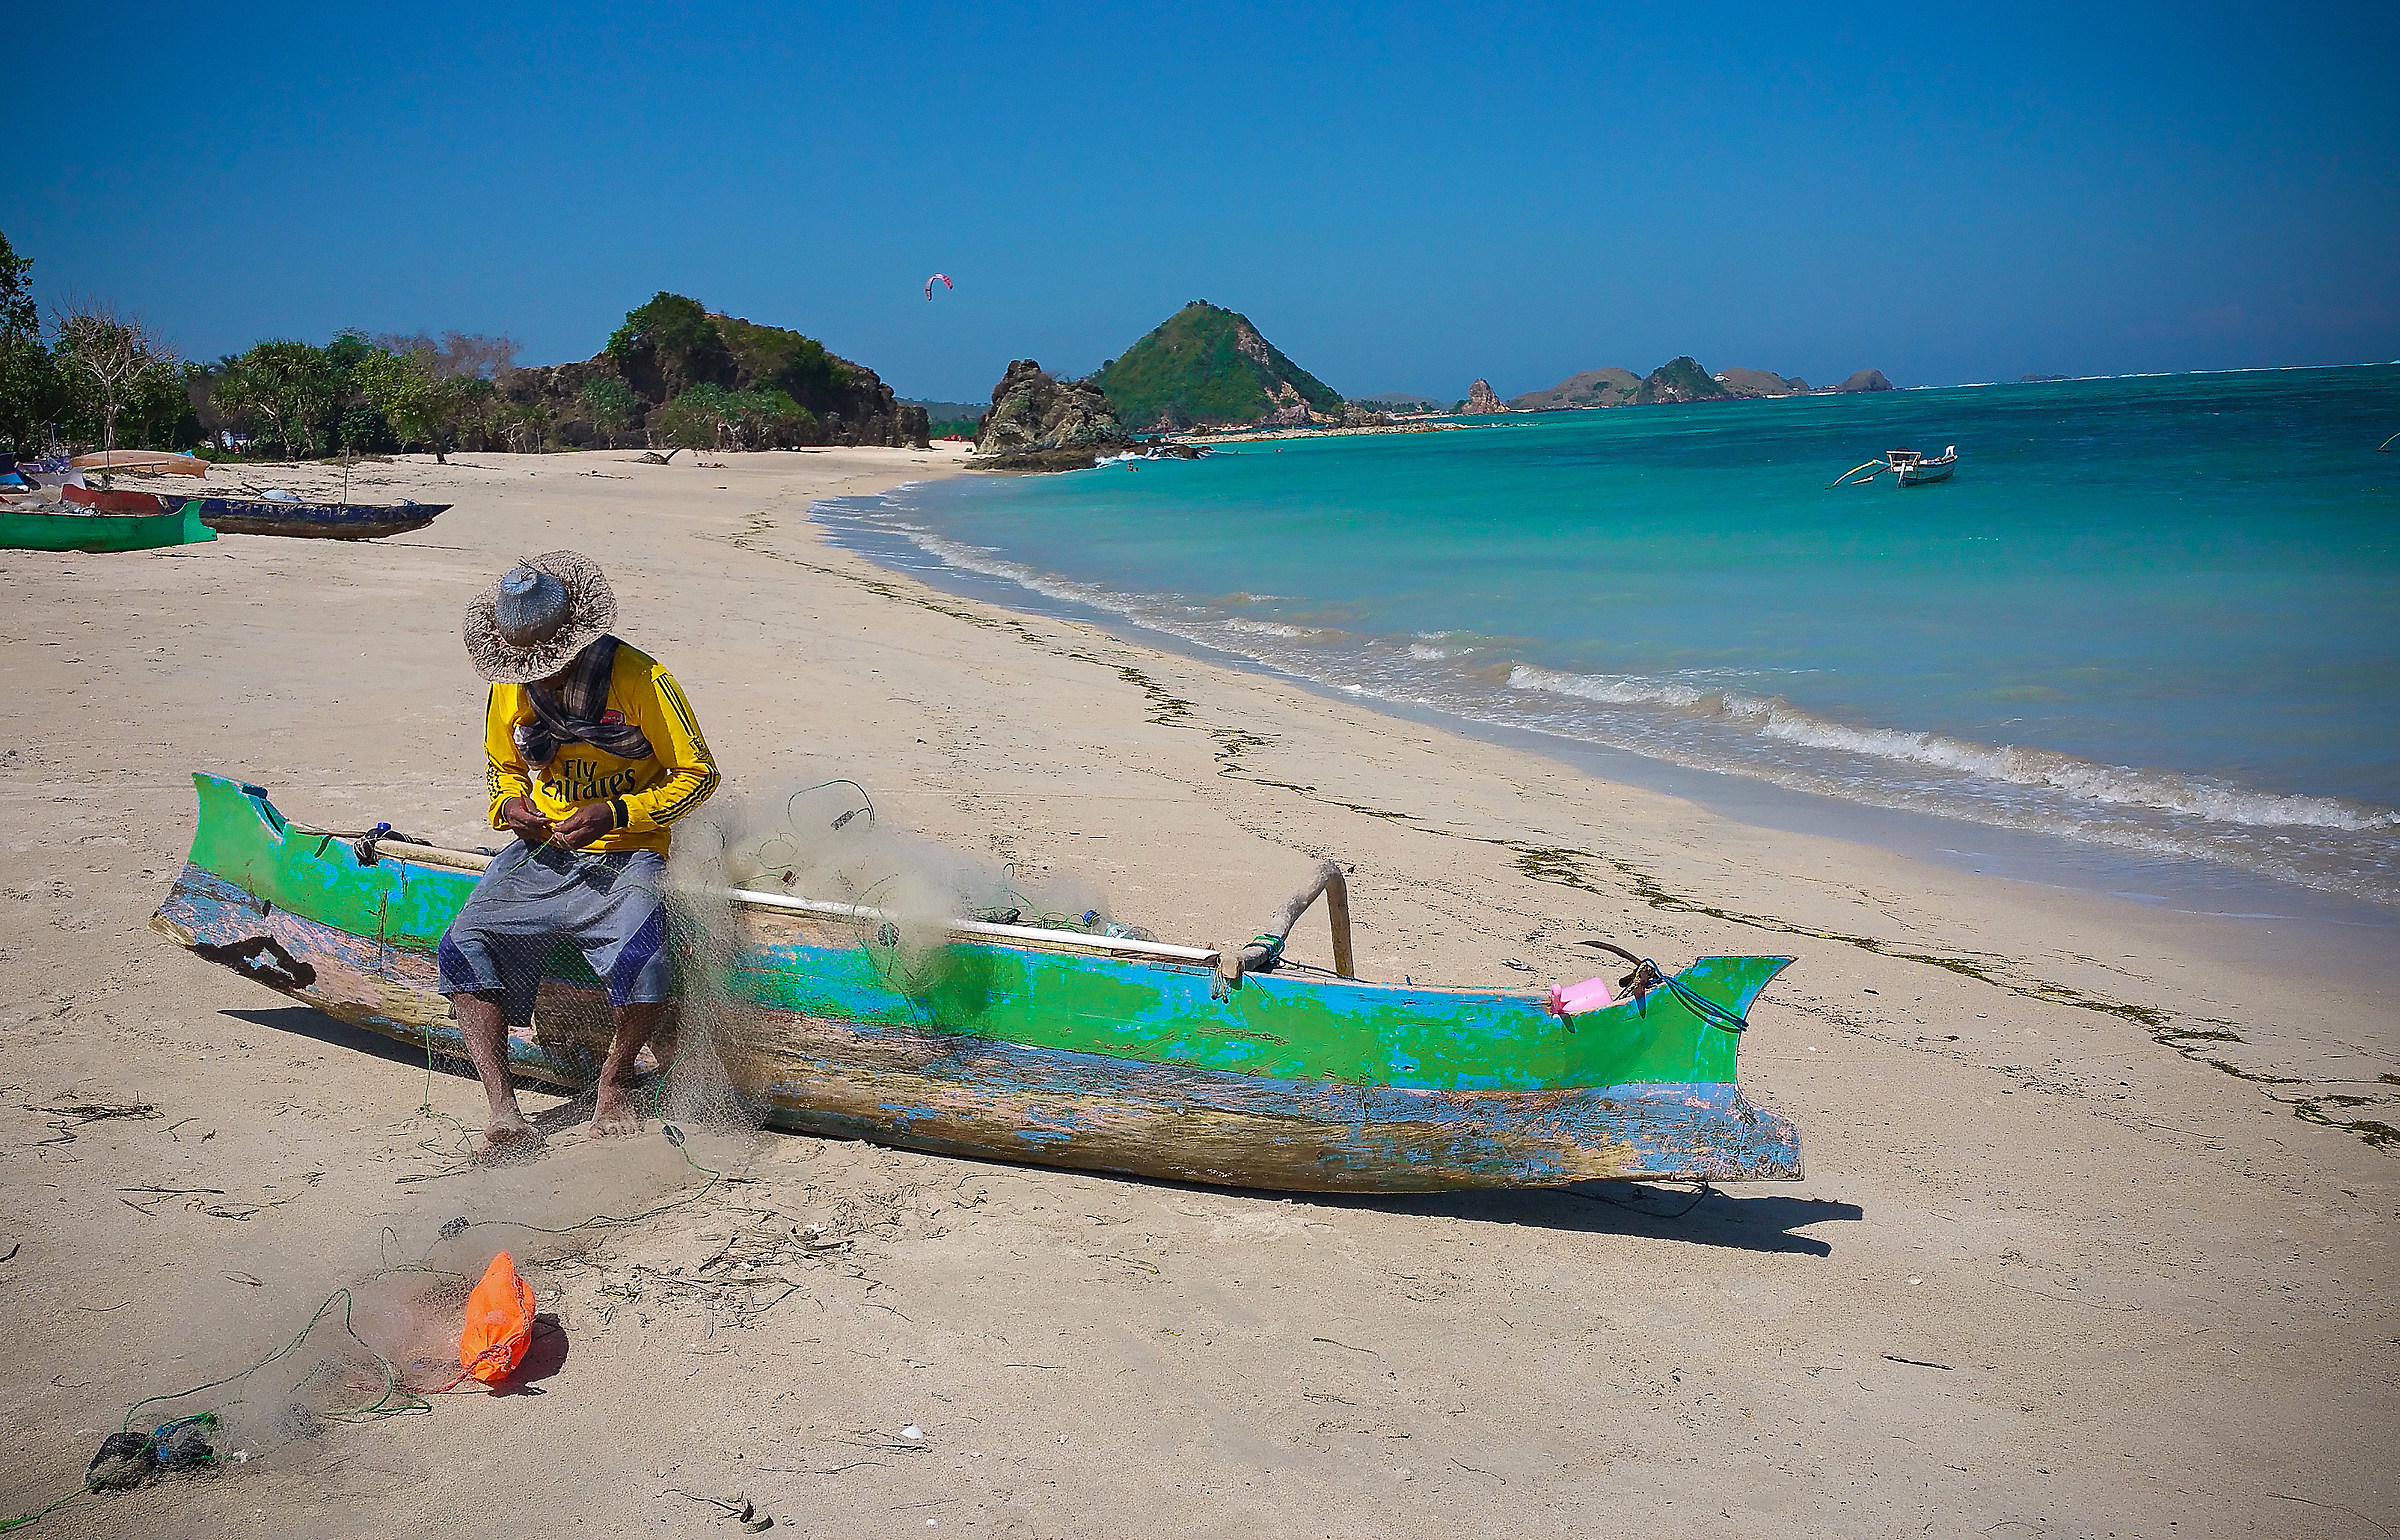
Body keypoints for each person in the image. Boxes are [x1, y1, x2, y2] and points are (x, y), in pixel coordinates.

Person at [437, 551, 720, 1160]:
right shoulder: (508, 687)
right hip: (541, 854)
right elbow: (501, 768)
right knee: (462, 943)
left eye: (552, 664)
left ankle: (614, 1086)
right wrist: (510, 808)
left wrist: (615, 814)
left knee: (647, 964)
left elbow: (698, 776)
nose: (539, 675)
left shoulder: (644, 681)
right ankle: (504, 1109)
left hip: (629, 854)